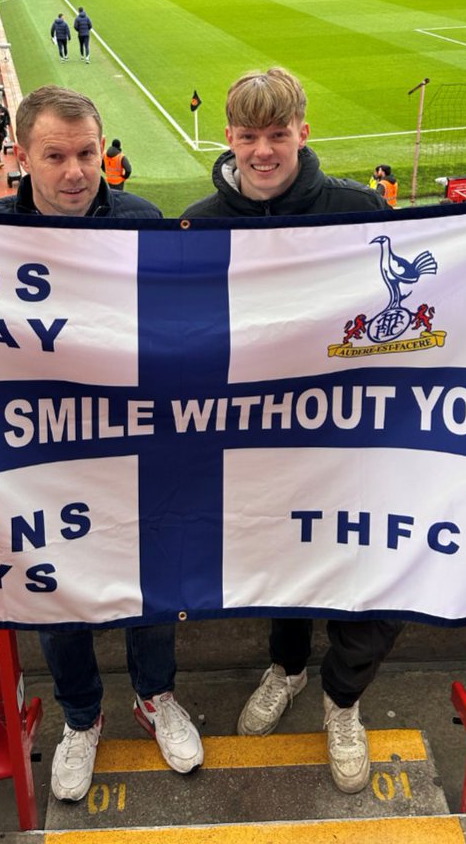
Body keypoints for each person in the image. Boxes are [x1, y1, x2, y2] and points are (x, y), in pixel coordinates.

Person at [0, 85, 203, 801]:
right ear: (21, 156)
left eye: (87, 154)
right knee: (55, 593)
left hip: (138, 450)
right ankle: (81, 717)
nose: (76, 171)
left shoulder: (142, 221)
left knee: (154, 585)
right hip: (37, 462)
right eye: (56, 156)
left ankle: (154, 696)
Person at [181, 68, 394, 795]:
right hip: (252, 448)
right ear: (229, 139)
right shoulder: (200, 223)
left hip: (347, 445)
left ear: (303, 131)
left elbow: (442, 280)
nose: (263, 151)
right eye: (248, 137)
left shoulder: (357, 209)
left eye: (277, 134)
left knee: (363, 580)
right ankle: (289, 669)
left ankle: (342, 700)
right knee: (278, 569)